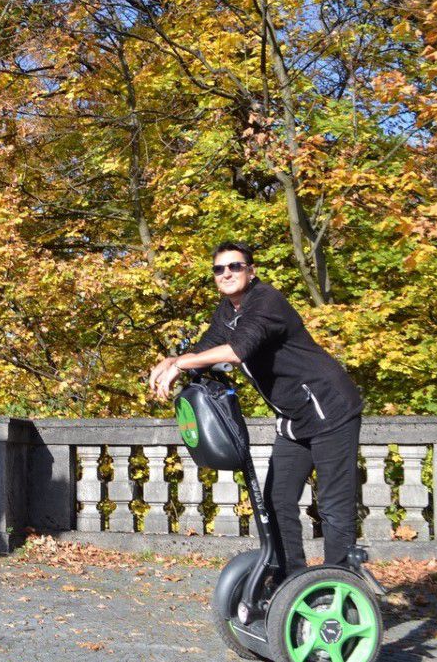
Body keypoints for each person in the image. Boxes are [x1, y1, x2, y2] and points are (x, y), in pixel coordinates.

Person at [148, 240, 363, 574]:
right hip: (294, 418)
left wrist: (182, 364)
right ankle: (291, 581)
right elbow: (208, 346)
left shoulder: (266, 301)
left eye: (235, 266)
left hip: (329, 408)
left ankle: (340, 587)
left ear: (251, 270)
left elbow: (237, 350)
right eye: (219, 269)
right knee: (276, 501)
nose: (227, 273)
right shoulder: (228, 309)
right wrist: (175, 361)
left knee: (334, 506)